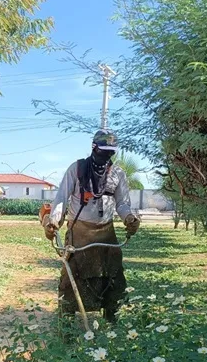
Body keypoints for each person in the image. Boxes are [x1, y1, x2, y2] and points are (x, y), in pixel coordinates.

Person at [44, 130, 140, 322]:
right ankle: (67, 326)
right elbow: (62, 199)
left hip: (106, 234)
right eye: (103, 151)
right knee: (71, 278)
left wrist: (129, 218)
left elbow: (122, 203)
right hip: (79, 232)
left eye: (110, 152)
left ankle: (113, 322)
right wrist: (53, 222)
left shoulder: (117, 174)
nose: (106, 156)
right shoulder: (77, 169)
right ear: (94, 148)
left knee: (112, 277)